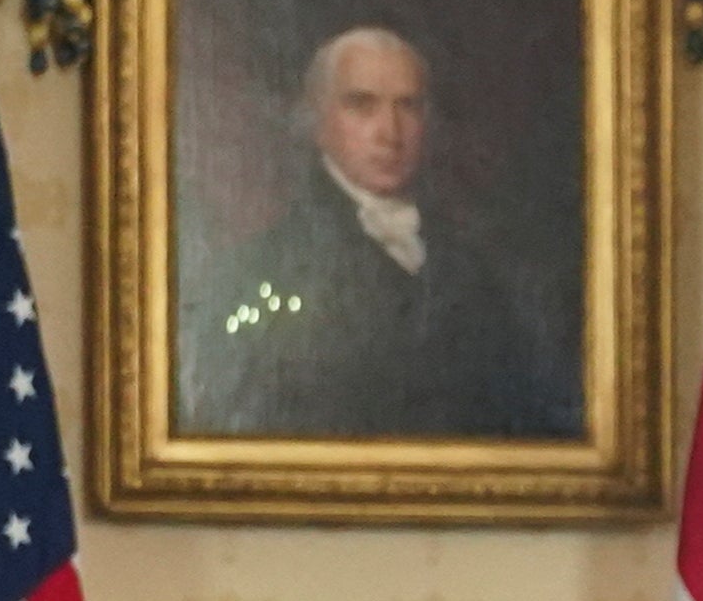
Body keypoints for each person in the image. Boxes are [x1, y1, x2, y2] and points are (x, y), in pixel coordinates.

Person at [181, 24, 578, 441]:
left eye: (408, 106)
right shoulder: (259, 270)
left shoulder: (479, 267)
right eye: (361, 105)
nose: (390, 133)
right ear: (317, 121)